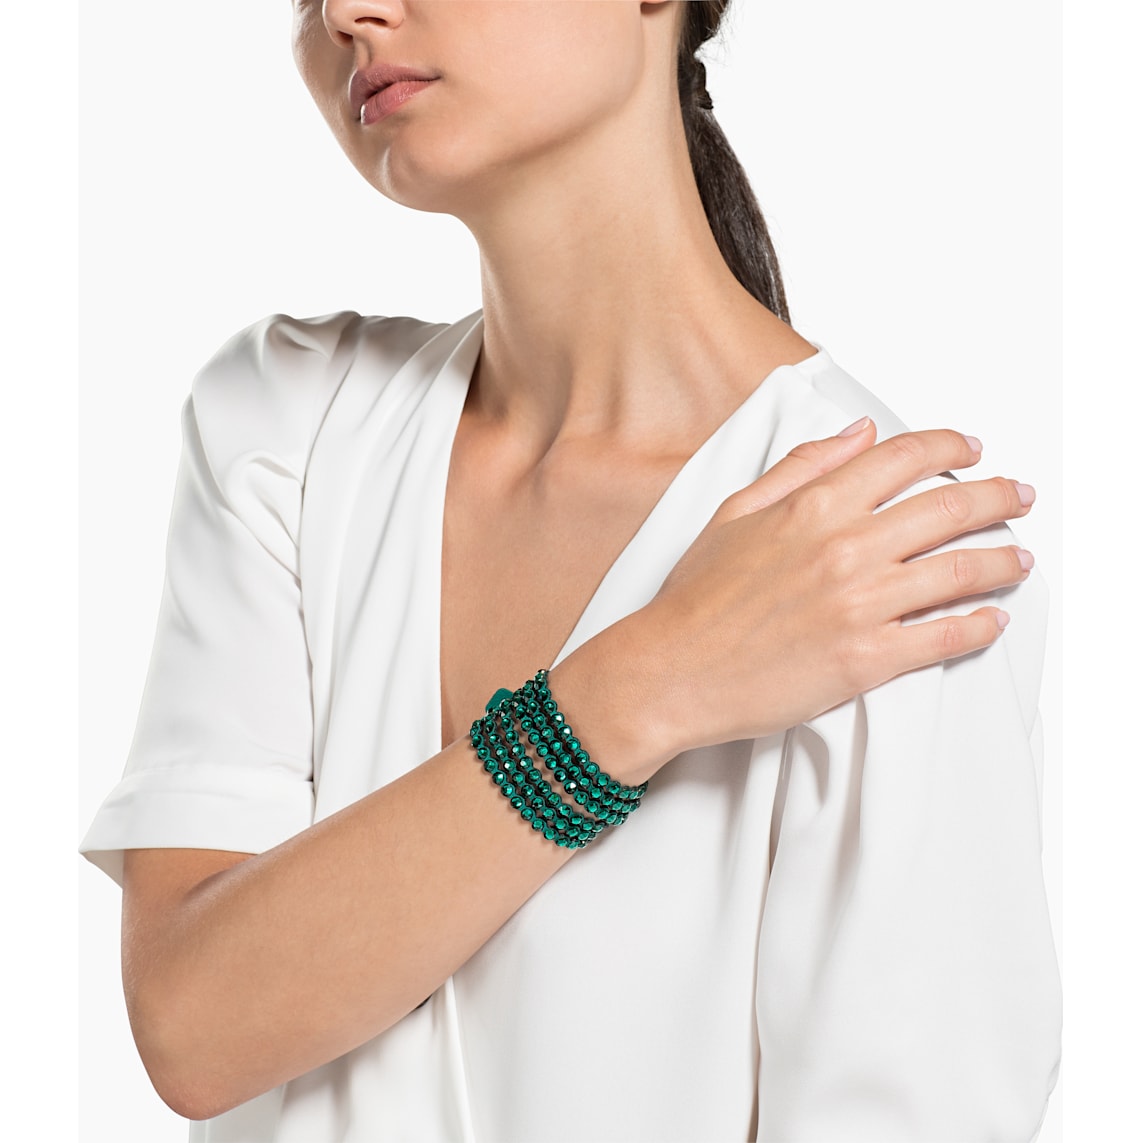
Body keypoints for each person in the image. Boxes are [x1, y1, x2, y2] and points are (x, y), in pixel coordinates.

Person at [81, 1, 1062, 1140]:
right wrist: (634, 691)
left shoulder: (876, 563)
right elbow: (196, 1026)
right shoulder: (286, 428)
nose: (346, 11)